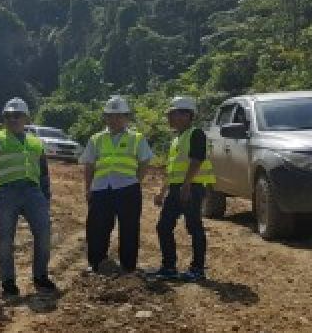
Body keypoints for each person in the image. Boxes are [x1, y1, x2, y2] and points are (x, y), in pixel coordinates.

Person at [0, 98, 58, 298]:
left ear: (26, 118)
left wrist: (46, 197)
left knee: (44, 232)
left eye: (17, 116)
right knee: (5, 239)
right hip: (7, 192)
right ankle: (8, 281)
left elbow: (44, 172)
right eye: (8, 116)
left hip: (32, 192)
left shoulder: (36, 142)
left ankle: (40, 276)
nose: (12, 119)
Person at [80, 96, 153, 273]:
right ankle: (97, 263)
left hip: (128, 188)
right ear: (105, 117)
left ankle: (128, 267)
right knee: (97, 227)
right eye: (110, 116)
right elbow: (89, 165)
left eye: (119, 116)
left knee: (129, 228)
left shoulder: (136, 138)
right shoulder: (96, 139)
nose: (114, 120)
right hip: (101, 188)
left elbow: (144, 162)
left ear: (126, 117)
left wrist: (135, 181)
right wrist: (88, 188)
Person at [152, 96, 214, 282]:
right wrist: (162, 191)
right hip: (177, 188)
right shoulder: (177, 139)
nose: (169, 118)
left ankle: (197, 269)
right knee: (163, 226)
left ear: (186, 115)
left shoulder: (196, 134)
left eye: (173, 114)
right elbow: (172, 170)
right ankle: (169, 267)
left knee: (194, 227)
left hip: (192, 187)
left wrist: (187, 184)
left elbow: (197, 160)